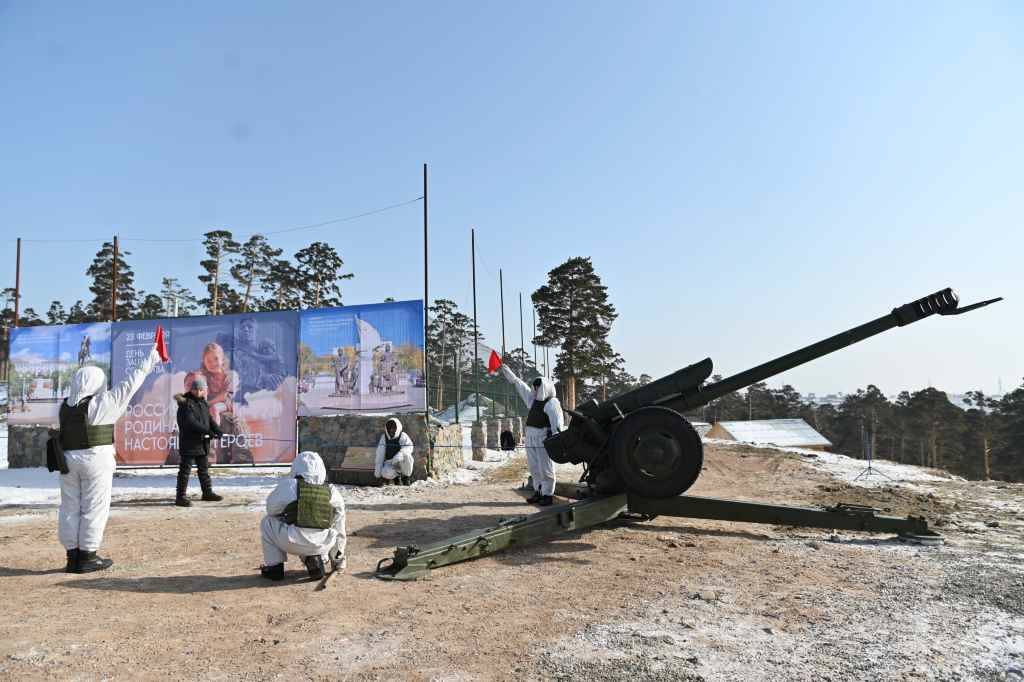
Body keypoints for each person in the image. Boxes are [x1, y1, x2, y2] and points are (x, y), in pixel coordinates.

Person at [58, 340, 163, 573]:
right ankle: (87, 556)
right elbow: (132, 382)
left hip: (67, 460)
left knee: (69, 507)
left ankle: (72, 556)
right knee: (94, 507)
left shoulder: (64, 406)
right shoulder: (103, 404)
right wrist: (152, 358)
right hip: (96, 460)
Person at [259, 451, 347, 581]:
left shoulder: (290, 486)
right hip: (323, 544)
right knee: (328, 525)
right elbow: (339, 526)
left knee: (268, 522)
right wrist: (338, 559)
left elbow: (271, 510)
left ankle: (274, 568)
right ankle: (316, 560)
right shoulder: (332, 491)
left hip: (293, 542)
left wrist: (288, 515)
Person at [500, 367, 565, 506]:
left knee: (545, 468)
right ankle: (538, 491)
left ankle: (547, 494)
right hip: (530, 438)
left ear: (544, 388)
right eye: (534, 388)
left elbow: (557, 422)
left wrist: (555, 438)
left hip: (543, 439)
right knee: (534, 467)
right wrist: (511, 376)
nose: (534, 390)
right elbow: (522, 387)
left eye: (537, 388)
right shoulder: (534, 400)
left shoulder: (552, 402)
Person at [174, 376, 225, 507]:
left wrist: (217, 430)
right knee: (185, 471)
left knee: (204, 470)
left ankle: (207, 493)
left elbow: (209, 420)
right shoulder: (185, 404)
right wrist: (208, 432)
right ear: (191, 390)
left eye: (200, 389)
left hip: (202, 443)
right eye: (195, 389)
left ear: (204, 390)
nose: (198, 392)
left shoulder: (203, 404)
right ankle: (180, 497)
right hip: (189, 443)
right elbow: (191, 423)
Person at [374, 417, 414, 486]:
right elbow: (380, 455)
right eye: (390, 428)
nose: (392, 430)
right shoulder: (384, 437)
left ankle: (405, 477)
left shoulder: (403, 436)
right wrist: (378, 473)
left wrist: (400, 455)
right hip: (390, 462)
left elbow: (408, 447)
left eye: (394, 428)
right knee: (386, 472)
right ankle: (396, 478)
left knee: (408, 457)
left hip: (401, 462)